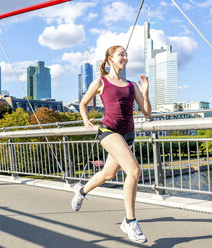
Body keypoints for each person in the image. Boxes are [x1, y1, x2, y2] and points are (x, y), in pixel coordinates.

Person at [71, 45, 151, 243]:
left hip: (128, 135)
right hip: (108, 131)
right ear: (110, 59)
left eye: (126, 54)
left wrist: (146, 92)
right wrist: (85, 119)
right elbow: (83, 103)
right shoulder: (101, 82)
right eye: (121, 54)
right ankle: (130, 221)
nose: (125, 57)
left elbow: (147, 113)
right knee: (134, 171)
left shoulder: (132, 85)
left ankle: (81, 191)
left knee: (108, 174)